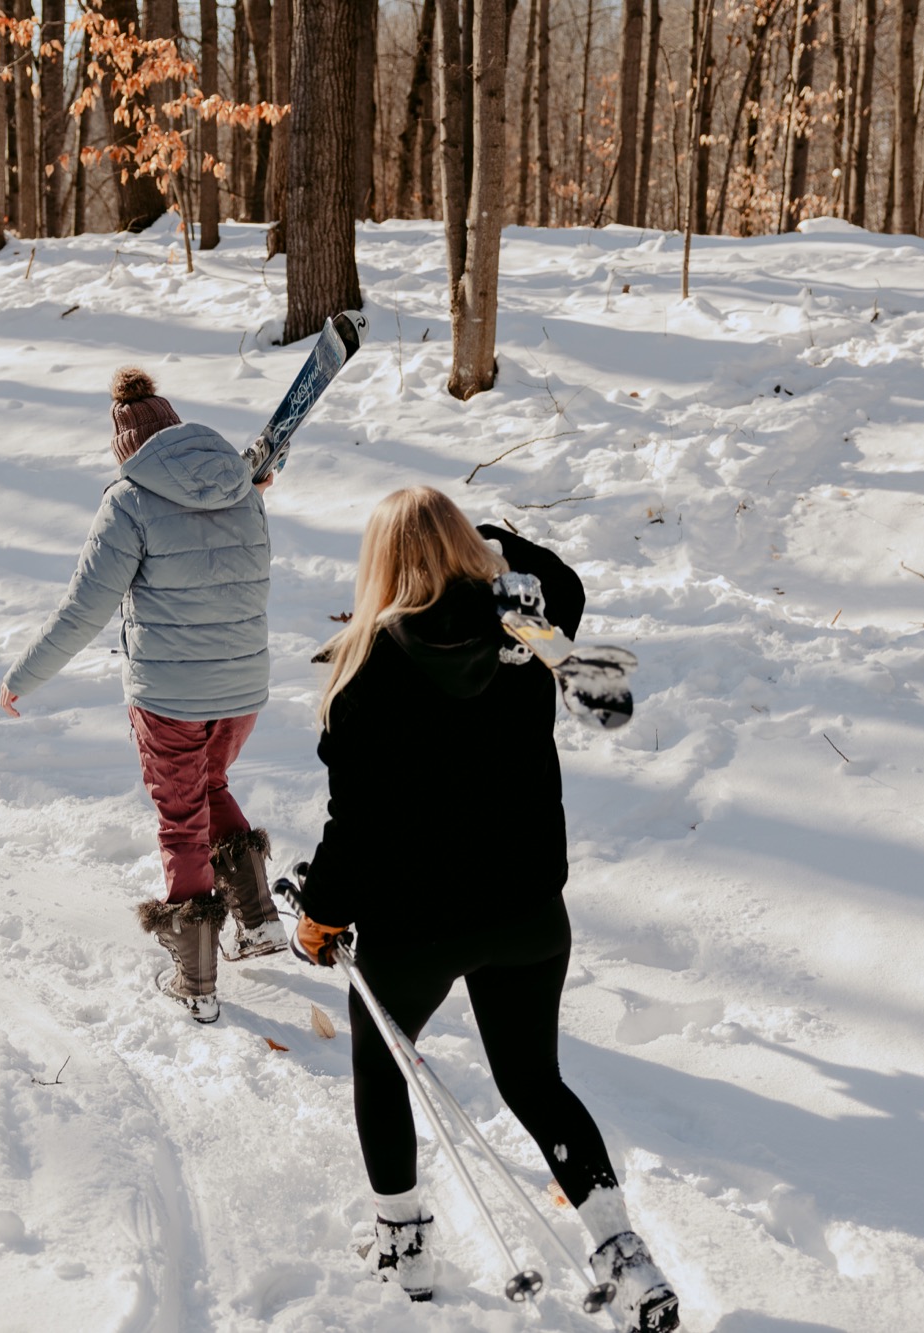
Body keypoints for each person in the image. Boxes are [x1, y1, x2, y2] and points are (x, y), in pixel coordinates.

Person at [288, 487, 679, 1331]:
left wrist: (319, 913)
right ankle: (624, 1251)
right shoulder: (525, 637)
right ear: (474, 549)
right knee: (536, 1081)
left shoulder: (365, 672)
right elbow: (561, 578)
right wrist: (491, 540)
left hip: (413, 931)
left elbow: (352, 827)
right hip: (527, 914)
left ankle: (404, 1242)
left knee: (384, 1071)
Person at [0, 367, 284, 1023]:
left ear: (129, 450)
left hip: (171, 697)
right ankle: (259, 919)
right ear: (177, 429)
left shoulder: (128, 501)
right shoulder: (243, 486)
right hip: (243, 690)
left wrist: (24, 676)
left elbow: (83, 610)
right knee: (209, 783)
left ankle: (197, 979)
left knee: (182, 814)